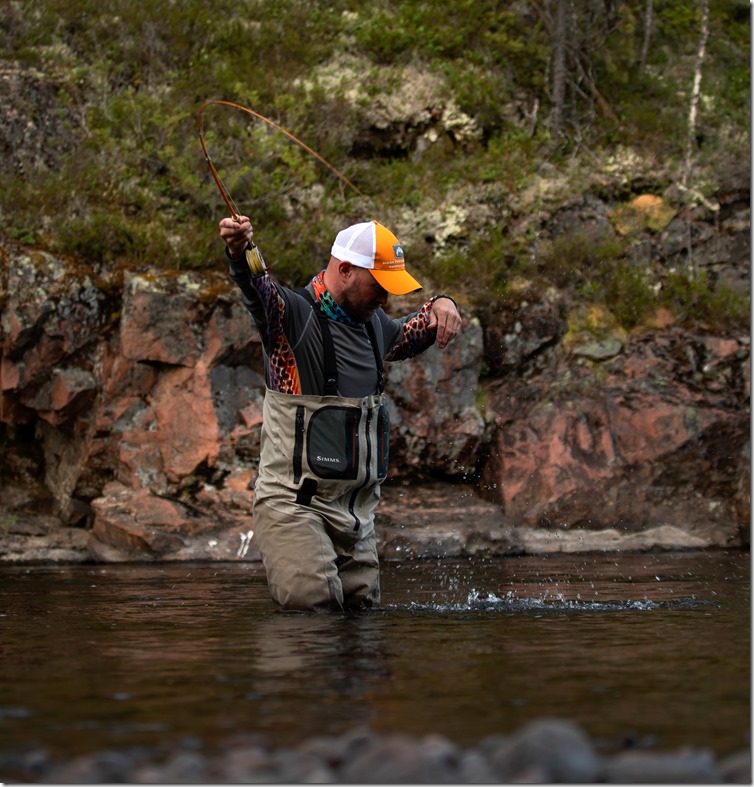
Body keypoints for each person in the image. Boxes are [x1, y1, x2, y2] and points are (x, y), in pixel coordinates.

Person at [219, 216, 462, 612]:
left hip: (355, 516)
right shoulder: (288, 318)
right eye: (378, 286)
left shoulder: (375, 327)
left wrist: (441, 303)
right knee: (314, 612)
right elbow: (255, 285)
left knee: (362, 624)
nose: (385, 298)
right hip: (294, 507)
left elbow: (414, 330)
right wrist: (239, 250)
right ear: (345, 270)